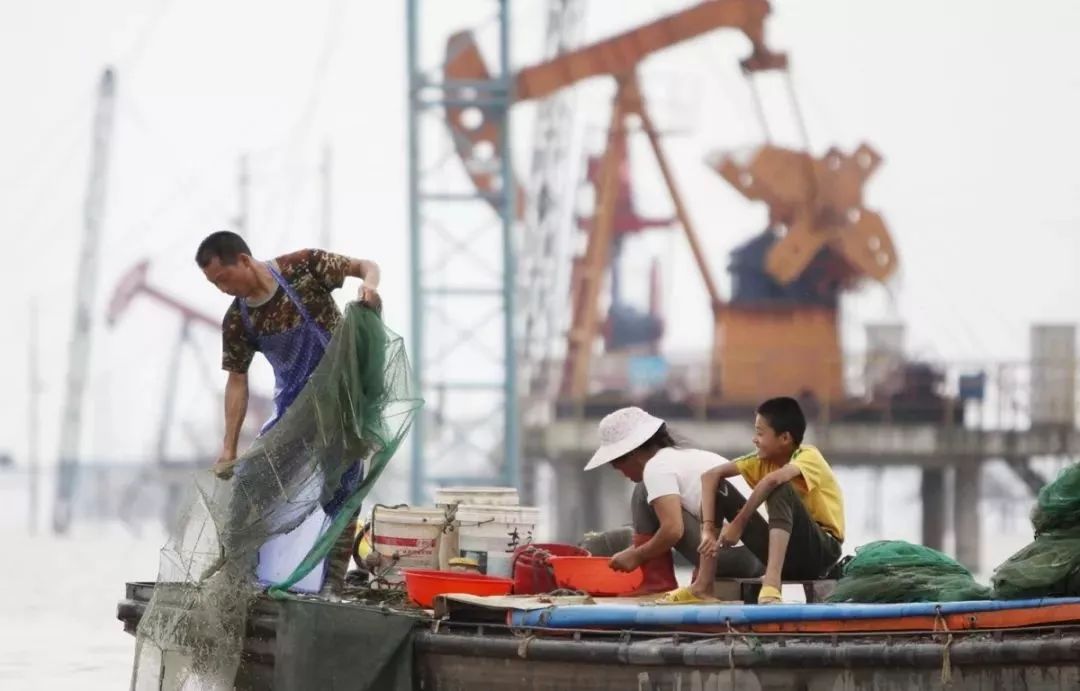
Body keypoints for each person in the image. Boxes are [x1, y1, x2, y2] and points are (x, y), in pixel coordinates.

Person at [196, 230, 381, 597]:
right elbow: (237, 382)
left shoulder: (304, 267)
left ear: (244, 261)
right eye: (214, 284)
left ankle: (333, 582)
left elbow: (365, 267)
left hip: (342, 402)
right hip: (294, 411)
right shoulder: (238, 321)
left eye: (223, 278)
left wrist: (370, 287)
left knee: (341, 491)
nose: (221, 288)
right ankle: (239, 572)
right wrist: (229, 446)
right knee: (251, 481)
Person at [583, 407, 763, 596]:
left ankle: (657, 581)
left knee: (642, 492)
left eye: (617, 464)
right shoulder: (691, 457)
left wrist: (637, 555)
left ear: (632, 454)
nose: (621, 473)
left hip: (733, 556)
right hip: (759, 559)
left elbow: (673, 530)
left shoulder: (655, 467)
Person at [686, 396, 845, 604]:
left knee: (778, 486)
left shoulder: (808, 455)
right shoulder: (761, 460)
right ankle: (702, 585)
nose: (754, 439)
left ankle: (771, 584)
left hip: (821, 553)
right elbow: (710, 476)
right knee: (720, 489)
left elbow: (772, 481)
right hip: (788, 555)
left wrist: (738, 524)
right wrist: (707, 530)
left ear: (785, 438)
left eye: (760, 433)